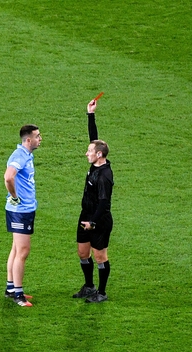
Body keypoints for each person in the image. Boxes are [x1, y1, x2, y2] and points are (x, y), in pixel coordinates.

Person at [72, 97, 115, 303]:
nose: (86, 153)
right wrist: (91, 114)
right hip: (86, 215)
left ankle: (102, 292)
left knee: (100, 256)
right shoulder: (96, 163)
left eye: (89, 152)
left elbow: (104, 203)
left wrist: (93, 222)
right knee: (82, 252)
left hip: (99, 219)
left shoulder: (105, 176)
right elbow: (94, 139)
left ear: (99, 155)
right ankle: (89, 287)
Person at [4, 124, 42, 307]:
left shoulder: (26, 155)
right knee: (23, 251)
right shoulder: (19, 156)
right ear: (28, 140)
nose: (40, 139)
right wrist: (14, 197)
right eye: (37, 136)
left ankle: (11, 288)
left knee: (16, 248)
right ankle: (19, 295)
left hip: (24, 209)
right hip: (20, 211)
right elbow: (8, 177)